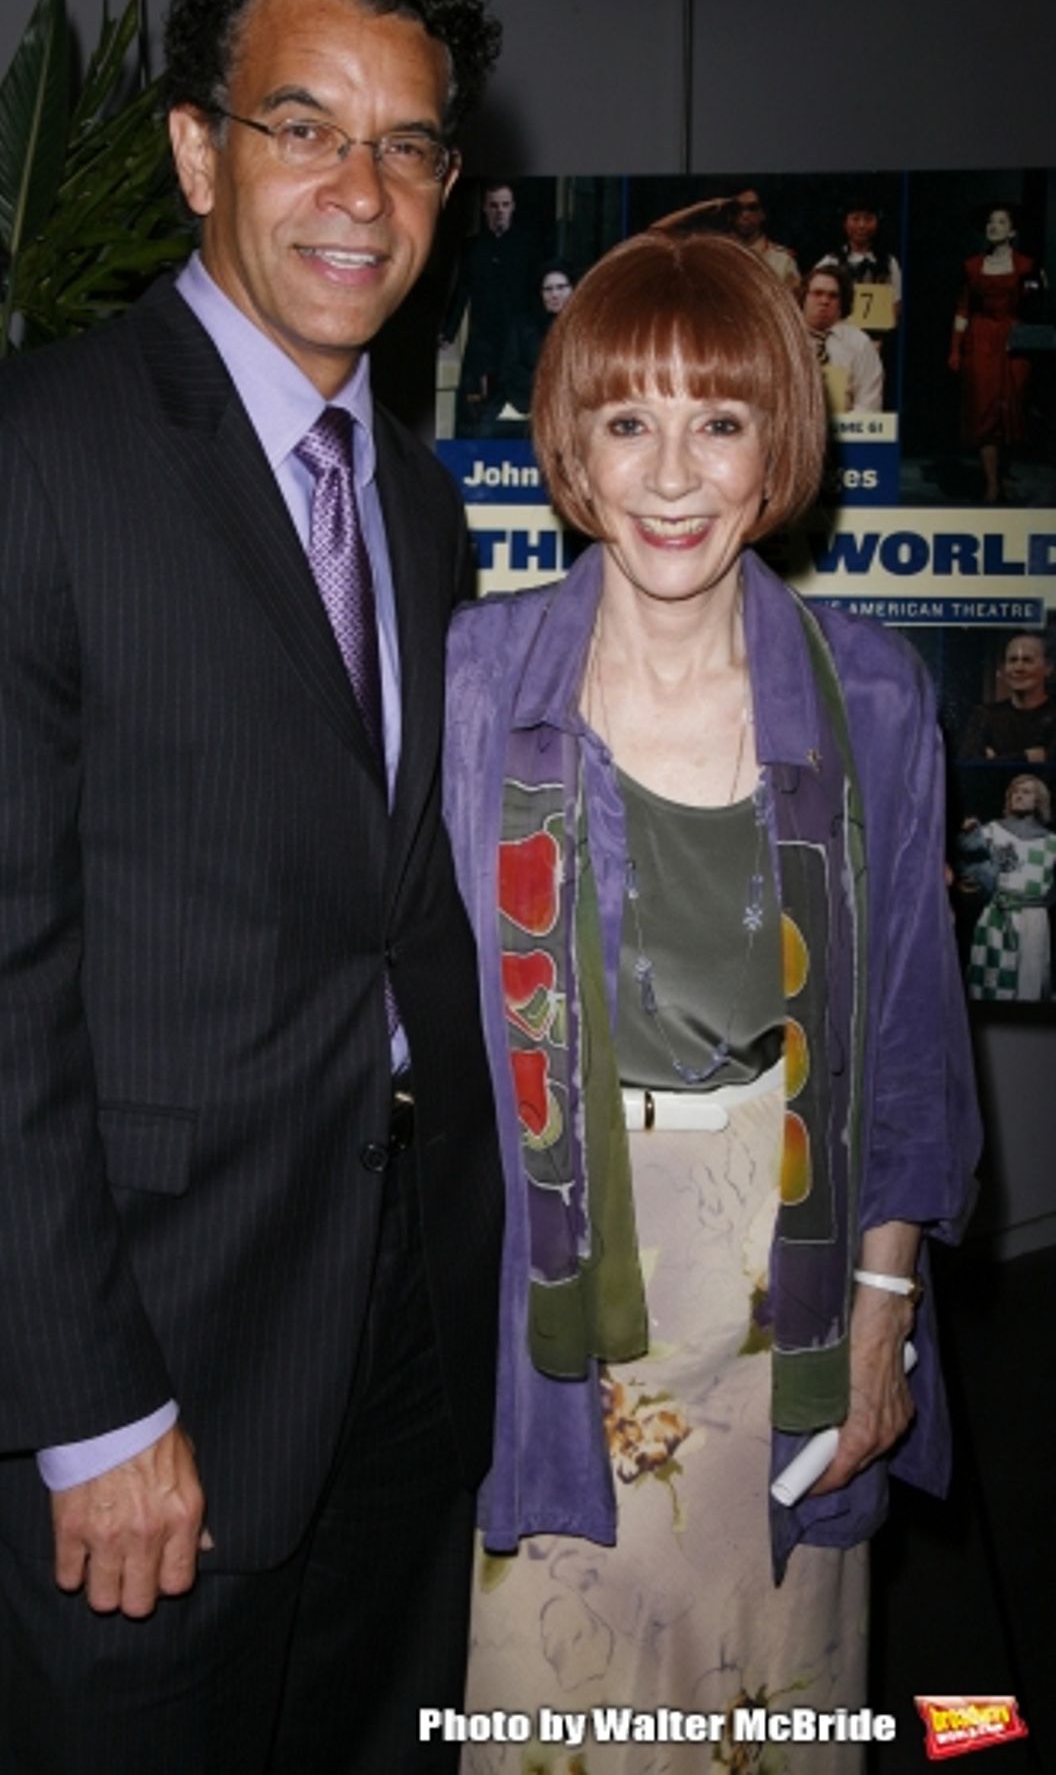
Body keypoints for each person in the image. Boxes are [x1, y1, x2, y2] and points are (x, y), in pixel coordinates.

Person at [0, 0, 504, 1775]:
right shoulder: (18, 462)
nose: (359, 191)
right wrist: (89, 1407)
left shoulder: (416, 498)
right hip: (163, 1350)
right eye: (305, 126)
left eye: (406, 145)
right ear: (200, 150)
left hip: (404, 1319)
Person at [443, 227, 979, 1769]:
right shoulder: (481, 684)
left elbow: (909, 1039)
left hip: (789, 1307)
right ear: (574, 448)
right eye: (628, 422)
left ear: (778, 448)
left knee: (771, 1719)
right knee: (562, 1724)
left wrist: (883, 1319)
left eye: (721, 421)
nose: (673, 474)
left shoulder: (869, 693)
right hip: (555, 1317)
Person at [948, 204, 1040, 504]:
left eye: (1001, 222)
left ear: (1012, 231)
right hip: (981, 339)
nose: (993, 226)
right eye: (990, 222)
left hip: (1014, 341)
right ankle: (991, 484)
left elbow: (1035, 305)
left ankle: (1003, 475)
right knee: (983, 410)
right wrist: (955, 347)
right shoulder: (972, 266)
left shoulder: (1026, 265)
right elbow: (962, 309)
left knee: (1011, 412)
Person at [441, 181, 543, 433]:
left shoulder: (527, 244)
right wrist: (448, 331)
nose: (500, 211)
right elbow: (462, 290)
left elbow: (534, 291)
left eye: (505, 205)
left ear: (513, 207)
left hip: (516, 338)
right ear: (485, 209)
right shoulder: (473, 246)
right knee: (473, 404)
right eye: (494, 205)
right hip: (482, 336)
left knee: (517, 403)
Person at [961, 774, 1056, 1001]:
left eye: (1026, 791)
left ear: (1039, 801)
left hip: (1033, 918)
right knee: (992, 980)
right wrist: (968, 833)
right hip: (997, 916)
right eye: (1015, 791)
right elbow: (964, 856)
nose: (1018, 795)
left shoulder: (1052, 842)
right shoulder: (992, 830)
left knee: (1030, 981)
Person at [493, 258, 576, 429]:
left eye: (561, 287)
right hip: (527, 409)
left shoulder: (586, 329)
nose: (554, 294)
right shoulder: (523, 327)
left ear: (573, 289)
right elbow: (509, 370)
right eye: (548, 289)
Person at [959, 630, 1055, 762]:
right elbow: (969, 767)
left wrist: (995, 759)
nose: (1018, 668)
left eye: (1027, 660)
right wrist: (1026, 757)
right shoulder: (985, 716)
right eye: (1012, 660)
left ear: (1048, 668)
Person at [801, 262, 885, 413]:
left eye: (833, 296)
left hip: (846, 431)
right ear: (804, 297)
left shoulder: (860, 342)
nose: (824, 301)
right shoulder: (784, 339)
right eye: (817, 293)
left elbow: (869, 404)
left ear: (842, 302)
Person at [817, 195, 902, 329]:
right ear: (845, 223)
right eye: (855, 219)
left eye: (868, 219)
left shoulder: (889, 262)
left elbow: (896, 304)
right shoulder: (831, 261)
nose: (862, 225)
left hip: (877, 338)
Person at [728, 184, 799, 288]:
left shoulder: (783, 262)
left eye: (752, 208)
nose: (744, 214)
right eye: (737, 208)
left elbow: (792, 302)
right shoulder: (718, 255)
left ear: (763, 214)